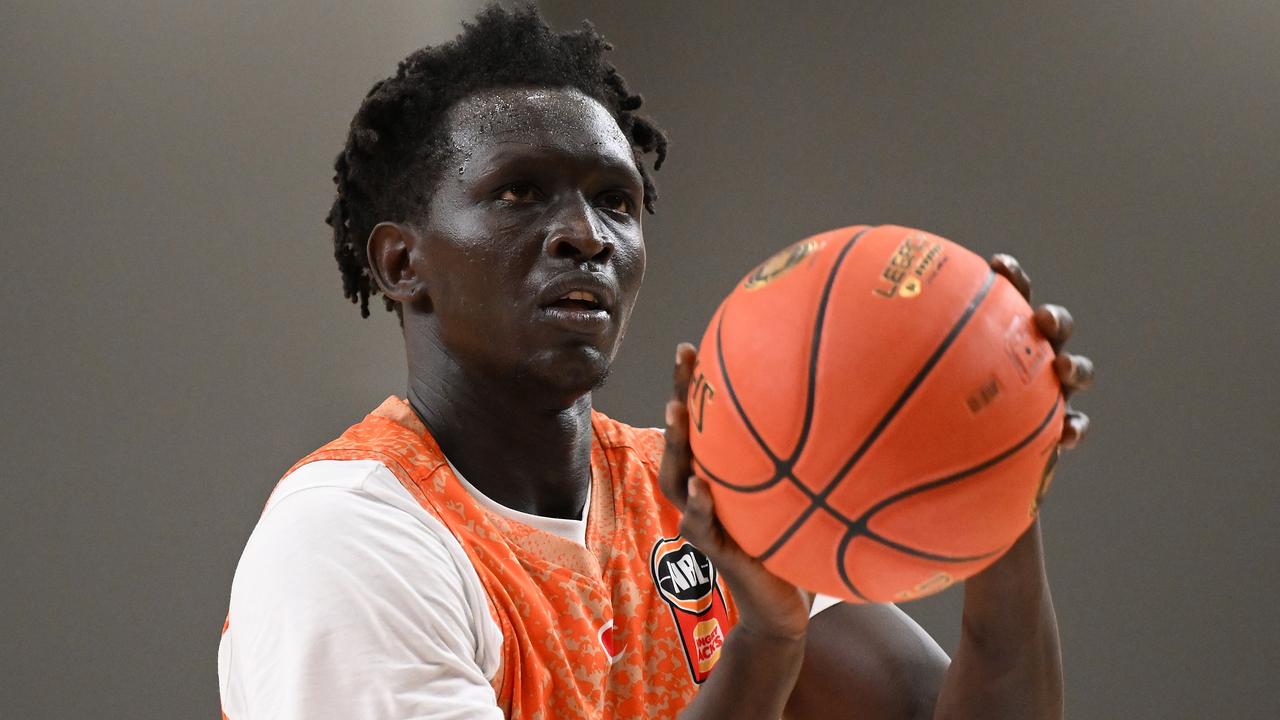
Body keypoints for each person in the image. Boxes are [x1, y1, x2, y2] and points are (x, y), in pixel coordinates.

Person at [218, 6, 1093, 719]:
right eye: (520, 191)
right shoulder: (347, 538)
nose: (585, 235)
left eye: (615, 202)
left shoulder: (700, 499)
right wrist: (764, 644)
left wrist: (1001, 466)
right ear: (403, 263)